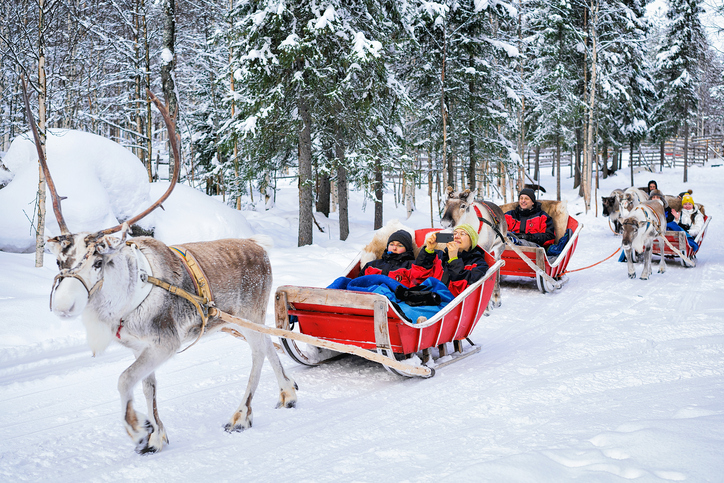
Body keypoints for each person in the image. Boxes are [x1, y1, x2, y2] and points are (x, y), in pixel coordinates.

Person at [410, 224, 489, 297]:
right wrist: (429, 249)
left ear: (472, 241)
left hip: (447, 305)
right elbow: (417, 276)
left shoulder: (478, 264)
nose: (456, 236)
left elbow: (464, 290)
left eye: (462, 234)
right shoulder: (440, 256)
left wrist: (453, 259)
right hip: (425, 297)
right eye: (454, 233)